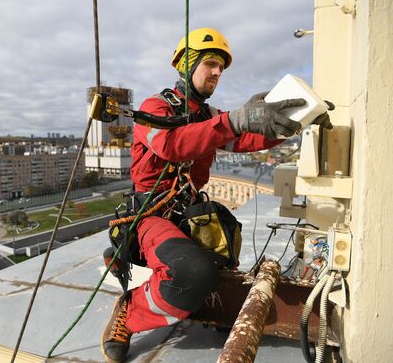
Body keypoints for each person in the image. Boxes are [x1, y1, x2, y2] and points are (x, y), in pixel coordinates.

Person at [100, 28, 333, 363]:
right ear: (186, 64)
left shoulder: (207, 117)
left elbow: (244, 140)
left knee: (224, 266)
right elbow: (171, 144)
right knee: (193, 273)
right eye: (210, 63)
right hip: (152, 216)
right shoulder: (155, 108)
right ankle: (130, 310)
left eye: (221, 68)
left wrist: (291, 122)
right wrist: (235, 121)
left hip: (190, 213)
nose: (217, 73)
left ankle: (202, 303)